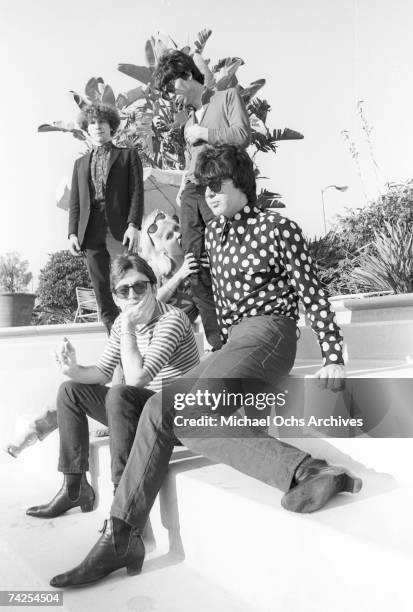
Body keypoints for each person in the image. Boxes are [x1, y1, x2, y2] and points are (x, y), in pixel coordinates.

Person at [48, 145, 362, 589]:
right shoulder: (213, 236)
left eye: (217, 185)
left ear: (242, 184)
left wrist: (333, 356)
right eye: (204, 187)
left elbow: (312, 293)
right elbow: (208, 300)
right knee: (163, 407)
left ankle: (303, 470)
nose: (209, 194)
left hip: (271, 334)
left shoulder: (278, 228)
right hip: (234, 342)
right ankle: (122, 536)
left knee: (180, 406)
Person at [26, 254, 200, 521]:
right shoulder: (122, 323)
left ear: (153, 288)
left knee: (120, 393)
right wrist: (72, 368)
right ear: (116, 298)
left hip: (175, 418)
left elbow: (136, 379)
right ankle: (74, 489)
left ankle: (122, 502)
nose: (133, 295)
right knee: (69, 390)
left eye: (140, 286)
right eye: (123, 290)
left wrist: (129, 327)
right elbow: (102, 372)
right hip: (142, 413)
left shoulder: (171, 320)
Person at [153, 50, 251, 351]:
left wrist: (203, 132)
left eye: (171, 86)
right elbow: (191, 160)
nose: (170, 94)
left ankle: (242, 337)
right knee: (195, 269)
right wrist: (183, 186)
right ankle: (217, 344)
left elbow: (242, 134)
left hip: (218, 188)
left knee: (228, 258)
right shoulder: (188, 119)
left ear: (185, 76)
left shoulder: (227, 97)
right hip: (191, 194)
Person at [68, 102, 144, 333]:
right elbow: (75, 202)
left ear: (111, 126)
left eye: (101, 122)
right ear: (86, 129)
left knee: (128, 279)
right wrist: (72, 232)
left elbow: (137, 193)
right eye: (92, 123)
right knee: (101, 288)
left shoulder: (128, 156)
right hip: (90, 230)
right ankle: (115, 339)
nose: (97, 126)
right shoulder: (79, 164)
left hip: (119, 227)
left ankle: (139, 332)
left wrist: (133, 225)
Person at [140, 209, 202, 324]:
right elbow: (149, 304)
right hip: (162, 332)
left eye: (176, 228)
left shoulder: (194, 256)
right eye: (169, 236)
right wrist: (180, 275)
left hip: (190, 330)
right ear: (160, 247)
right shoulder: (155, 269)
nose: (178, 235)